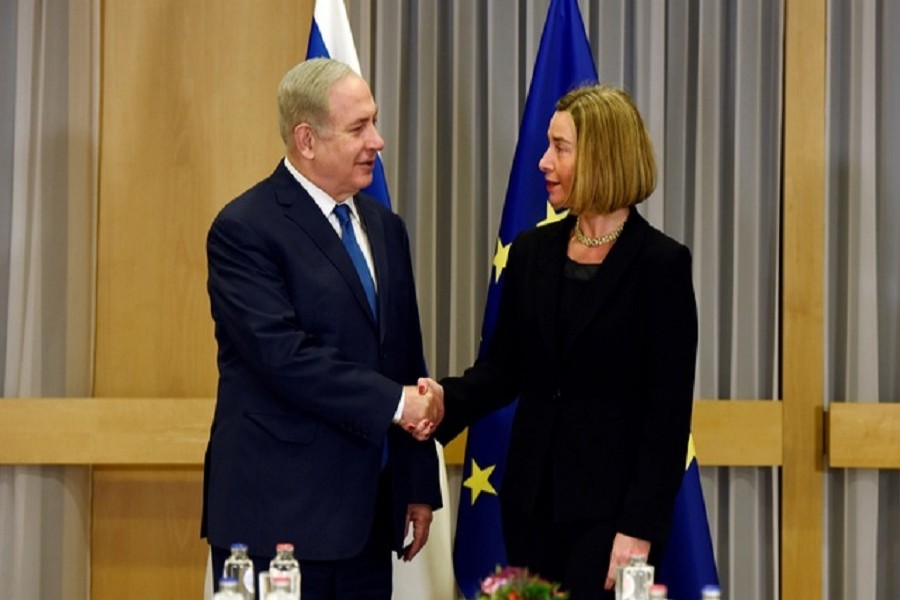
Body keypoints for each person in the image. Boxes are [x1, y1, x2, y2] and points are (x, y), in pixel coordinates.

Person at [432, 84, 698, 599]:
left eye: (559, 148)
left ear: (601, 156)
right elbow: (502, 371)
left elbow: (667, 417)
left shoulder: (661, 267)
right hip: (530, 507)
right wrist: (442, 402)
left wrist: (637, 528)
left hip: (612, 520)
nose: (543, 162)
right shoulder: (531, 252)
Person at [201, 58, 443, 599]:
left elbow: (404, 357)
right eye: (359, 128)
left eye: (374, 122)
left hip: (367, 521)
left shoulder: (385, 227)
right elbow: (283, 357)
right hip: (276, 522)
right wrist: (398, 403)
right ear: (306, 140)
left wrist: (417, 482)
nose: (377, 141)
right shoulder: (244, 229)